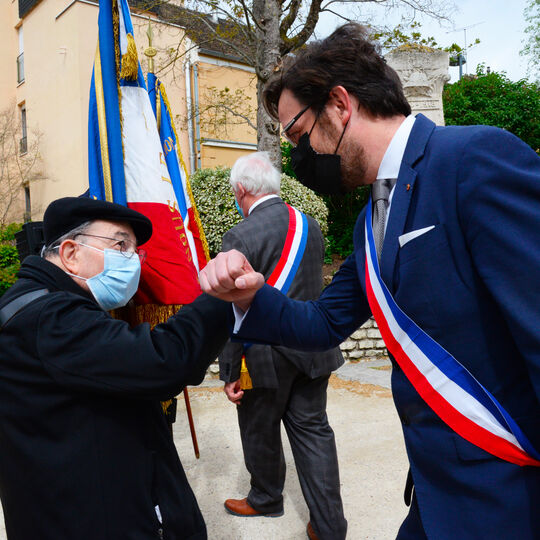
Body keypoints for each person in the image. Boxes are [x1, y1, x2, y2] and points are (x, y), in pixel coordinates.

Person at [199, 23, 540, 540]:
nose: (298, 158)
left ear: (339, 104)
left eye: (297, 135)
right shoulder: (370, 218)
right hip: (434, 490)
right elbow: (324, 321)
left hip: (505, 487)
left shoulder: (474, 159)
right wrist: (250, 295)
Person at [0, 196, 229, 540]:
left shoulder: (33, 301)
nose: (132, 261)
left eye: (135, 251)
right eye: (120, 244)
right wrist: (221, 296)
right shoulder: (52, 317)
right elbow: (163, 360)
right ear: (71, 254)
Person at [218, 152, 346, 540]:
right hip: (312, 345)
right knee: (313, 433)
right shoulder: (309, 224)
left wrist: (228, 370)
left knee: (258, 428)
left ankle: (265, 498)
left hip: (263, 354)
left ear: (241, 190)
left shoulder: (240, 235)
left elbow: (232, 307)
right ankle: (329, 526)